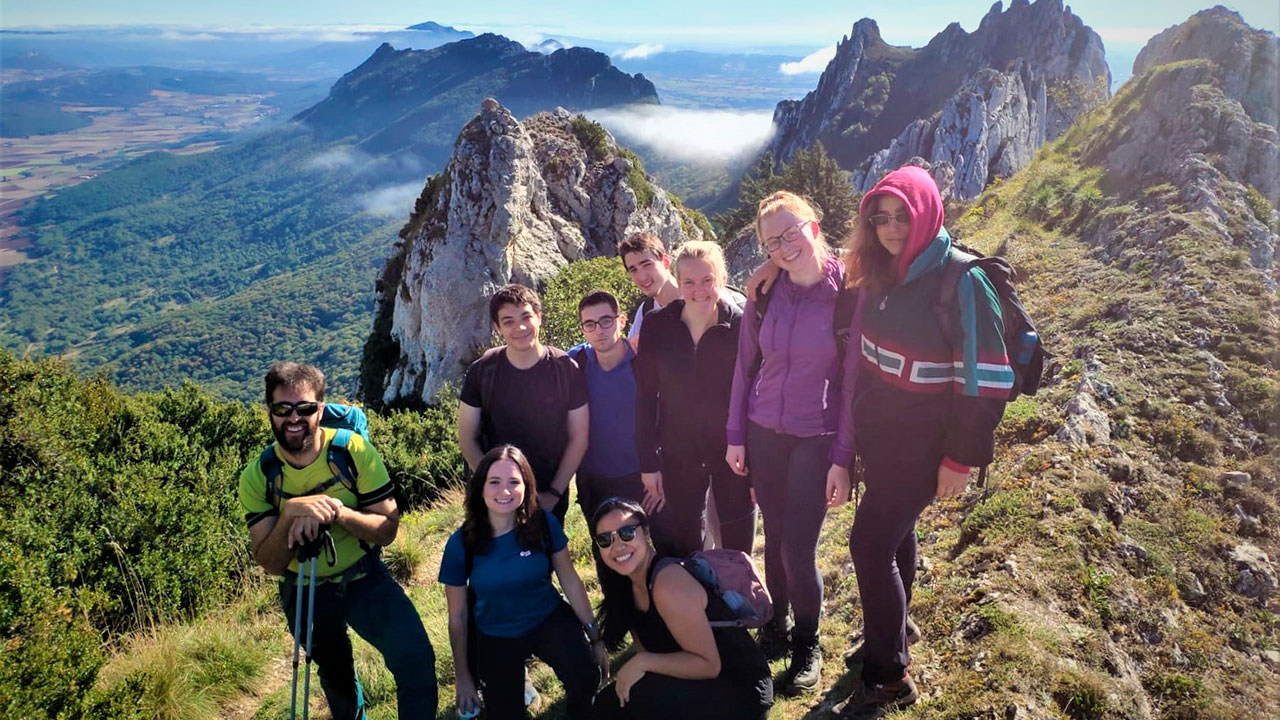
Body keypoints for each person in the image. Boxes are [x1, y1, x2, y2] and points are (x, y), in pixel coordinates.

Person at [832, 166, 1011, 718]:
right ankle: (895, 628)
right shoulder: (882, 273)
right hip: (884, 439)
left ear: (927, 212)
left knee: (868, 544)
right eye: (879, 218)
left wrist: (961, 458)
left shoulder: (961, 280)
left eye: (901, 216)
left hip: (925, 443)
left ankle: (889, 678)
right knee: (895, 536)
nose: (890, 228)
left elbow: (986, 381)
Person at [238, 362, 436, 720]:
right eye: (283, 409)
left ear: (321, 410)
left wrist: (336, 512)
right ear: (269, 411)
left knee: (415, 658)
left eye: (305, 408)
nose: (294, 418)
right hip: (304, 588)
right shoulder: (258, 476)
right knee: (336, 677)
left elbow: (387, 530)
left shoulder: (352, 451)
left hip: (364, 576)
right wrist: (291, 514)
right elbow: (269, 562)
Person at [725, 191, 852, 696]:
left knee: (798, 547)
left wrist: (844, 455)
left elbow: (854, 384)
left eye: (792, 231)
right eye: (771, 241)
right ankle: (775, 623)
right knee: (774, 538)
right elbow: (744, 367)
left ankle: (807, 641)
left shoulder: (848, 294)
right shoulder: (764, 293)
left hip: (816, 434)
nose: (784, 246)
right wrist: (736, 435)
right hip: (762, 430)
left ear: (814, 226)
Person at [439, 445, 608, 720]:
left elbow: (570, 580)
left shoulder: (544, 524)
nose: (504, 491)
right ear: (480, 487)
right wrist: (463, 677)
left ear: (526, 486)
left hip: (547, 619)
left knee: (587, 678)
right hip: (496, 635)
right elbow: (457, 617)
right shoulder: (462, 544)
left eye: (513, 482)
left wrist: (595, 637)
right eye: (494, 482)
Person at [590, 497, 773, 720]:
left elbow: (709, 665)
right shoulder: (626, 587)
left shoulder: (668, 583)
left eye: (627, 533)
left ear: (646, 533)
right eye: (605, 540)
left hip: (739, 687)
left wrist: (643, 662)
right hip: (698, 683)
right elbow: (649, 654)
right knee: (612, 703)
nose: (617, 546)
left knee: (619, 704)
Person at [634, 241, 757, 557]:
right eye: (688, 282)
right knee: (689, 542)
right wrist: (648, 462)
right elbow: (646, 397)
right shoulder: (657, 327)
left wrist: (757, 463)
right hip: (678, 453)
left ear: (722, 277)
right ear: (677, 280)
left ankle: (741, 603)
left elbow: (756, 396)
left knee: (738, 546)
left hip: (734, 452)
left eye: (707, 280)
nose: (699, 290)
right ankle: (700, 603)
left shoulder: (742, 326)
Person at [458, 283, 589, 523]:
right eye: (508, 321)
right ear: (498, 328)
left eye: (526, 317)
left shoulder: (565, 369)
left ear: (539, 318)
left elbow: (579, 436)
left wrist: (553, 494)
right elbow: (466, 438)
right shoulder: (483, 371)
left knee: (547, 558)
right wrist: (495, 487)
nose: (519, 327)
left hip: (549, 498)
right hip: (496, 500)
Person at [568, 289, 646, 518]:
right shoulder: (575, 361)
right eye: (590, 324)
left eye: (605, 321)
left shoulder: (642, 361)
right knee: (606, 550)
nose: (599, 330)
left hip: (643, 478)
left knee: (656, 549)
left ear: (621, 321)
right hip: (594, 481)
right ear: (583, 329)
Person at [618, 232, 681, 352]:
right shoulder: (646, 311)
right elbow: (629, 355)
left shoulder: (699, 298)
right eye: (633, 270)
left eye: (647, 265)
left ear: (666, 262)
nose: (641, 277)